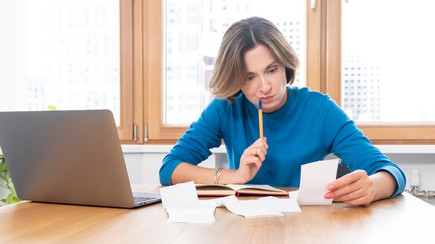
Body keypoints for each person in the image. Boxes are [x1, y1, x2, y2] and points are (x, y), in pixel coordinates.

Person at [159, 16, 406, 206]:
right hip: (244, 227)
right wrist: (235, 176)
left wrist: (371, 187)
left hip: (307, 225)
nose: (264, 87)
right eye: (249, 77)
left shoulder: (319, 109)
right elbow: (170, 168)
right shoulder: (227, 107)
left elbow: (392, 173)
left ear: (285, 65)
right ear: (235, 79)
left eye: (272, 70)